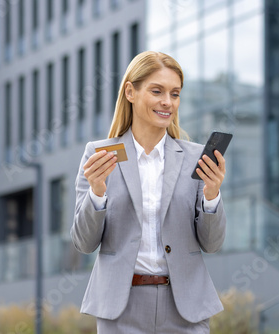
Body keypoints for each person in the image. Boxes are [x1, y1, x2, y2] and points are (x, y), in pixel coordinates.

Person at [71, 50, 227, 334]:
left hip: (186, 308)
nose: (168, 102)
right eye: (157, 91)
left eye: (175, 93)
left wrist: (212, 195)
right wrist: (97, 192)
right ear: (130, 91)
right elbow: (84, 242)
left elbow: (213, 244)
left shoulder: (195, 158)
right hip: (121, 309)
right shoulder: (100, 155)